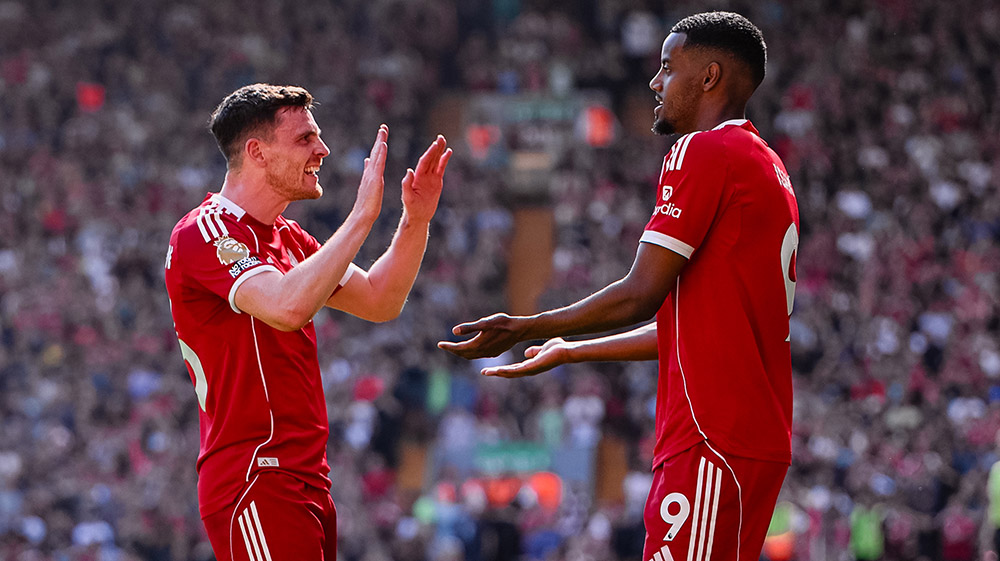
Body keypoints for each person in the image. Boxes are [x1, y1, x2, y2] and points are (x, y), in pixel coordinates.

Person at [439, 12, 798, 561]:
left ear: (710, 76)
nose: (654, 82)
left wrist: (528, 325)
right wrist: (571, 349)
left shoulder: (703, 151)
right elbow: (686, 328)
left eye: (668, 67)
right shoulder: (768, 166)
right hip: (748, 439)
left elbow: (640, 293)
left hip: (710, 436)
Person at [165, 83, 451, 561]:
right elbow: (286, 307)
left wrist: (415, 219)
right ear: (257, 152)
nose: (323, 150)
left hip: (305, 478)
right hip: (255, 475)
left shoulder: (290, 238)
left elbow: (380, 299)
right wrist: (361, 217)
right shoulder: (205, 230)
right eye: (305, 139)